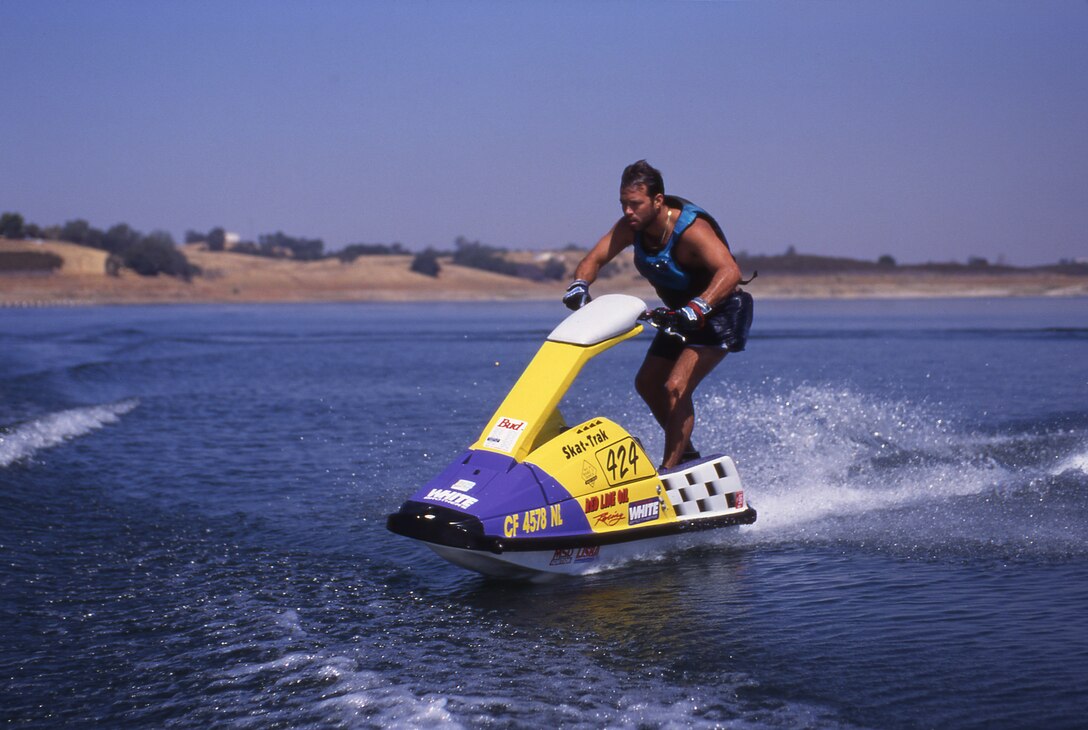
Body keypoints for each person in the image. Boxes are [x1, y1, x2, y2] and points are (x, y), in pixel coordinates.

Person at [563, 160, 753, 471]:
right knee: (648, 383)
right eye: (623, 203)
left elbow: (730, 271)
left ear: (658, 201)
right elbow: (593, 259)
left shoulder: (691, 229)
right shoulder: (630, 227)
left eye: (635, 204)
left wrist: (699, 306)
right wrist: (579, 284)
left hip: (720, 312)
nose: (627, 211)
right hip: (681, 316)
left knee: (675, 386)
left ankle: (669, 471)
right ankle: (688, 457)